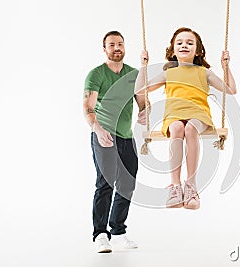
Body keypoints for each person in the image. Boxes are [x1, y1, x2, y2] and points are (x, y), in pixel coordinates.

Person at [135, 27, 237, 210]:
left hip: (199, 115)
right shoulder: (169, 73)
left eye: (190, 43)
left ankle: (191, 186)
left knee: (190, 129)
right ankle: (175, 185)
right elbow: (140, 90)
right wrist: (143, 66)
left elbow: (230, 90)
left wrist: (226, 67)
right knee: (176, 129)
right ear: (173, 50)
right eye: (179, 43)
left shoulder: (203, 72)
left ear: (197, 50)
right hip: (173, 114)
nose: (184, 45)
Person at [83, 31, 146, 253]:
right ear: (104, 49)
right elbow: (88, 108)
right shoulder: (96, 74)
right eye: (111, 45)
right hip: (104, 134)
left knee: (127, 184)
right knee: (105, 183)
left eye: (120, 44)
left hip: (126, 137)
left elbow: (142, 101)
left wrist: (144, 112)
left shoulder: (133, 74)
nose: (116, 48)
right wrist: (98, 130)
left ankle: (118, 231)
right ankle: (100, 234)